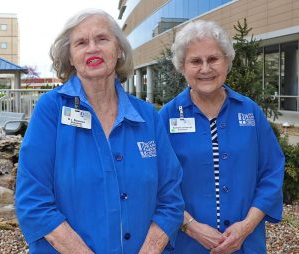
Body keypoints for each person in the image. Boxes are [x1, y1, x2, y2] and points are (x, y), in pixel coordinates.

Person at [15, 9, 184, 253]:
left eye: (102, 39)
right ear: (71, 58)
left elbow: (171, 198)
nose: (92, 48)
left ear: (119, 51)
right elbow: (33, 201)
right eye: (81, 43)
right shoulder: (51, 110)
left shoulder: (148, 117)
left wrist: (150, 249)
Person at [159, 20, 285, 254]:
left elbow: (272, 172)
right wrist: (192, 227)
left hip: (245, 245)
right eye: (195, 61)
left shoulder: (250, 112)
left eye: (213, 59)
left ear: (227, 62)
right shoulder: (165, 119)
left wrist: (246, 228)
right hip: (187, 245)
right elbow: (156, 184)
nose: (205, 69)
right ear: (182, 67)